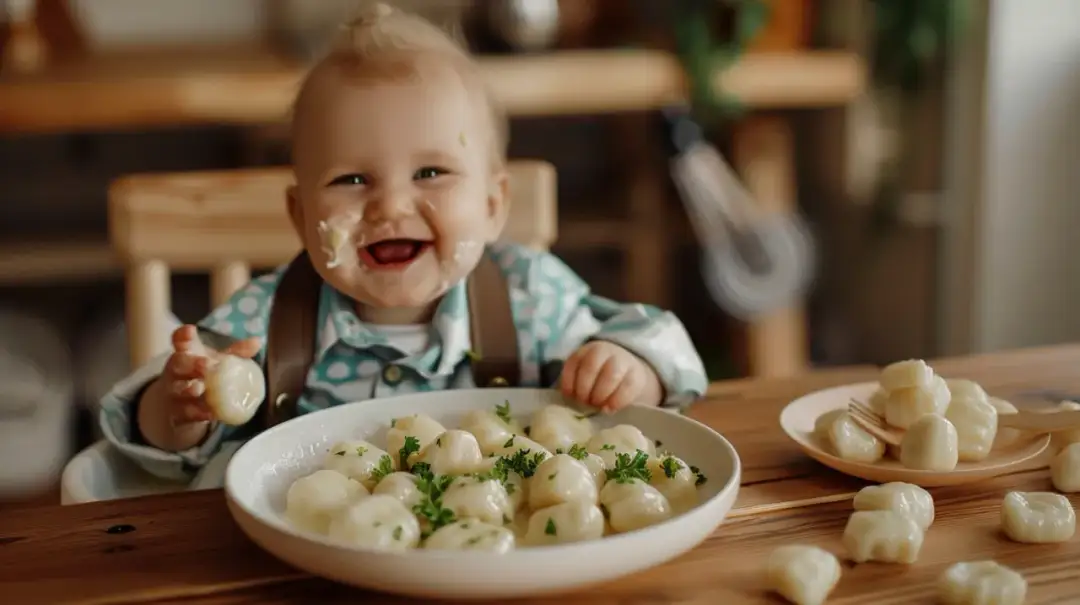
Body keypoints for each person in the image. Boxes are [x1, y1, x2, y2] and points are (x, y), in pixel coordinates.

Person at [99, 3, 708, 484]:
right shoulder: (266, 321)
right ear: (300, 213)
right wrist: (178, 407)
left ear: (494, 206)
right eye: (351, 179)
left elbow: (668, 348)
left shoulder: (529, 300)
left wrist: (632, 369)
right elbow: (149, 442)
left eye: (431, 174)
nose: (390, 206)